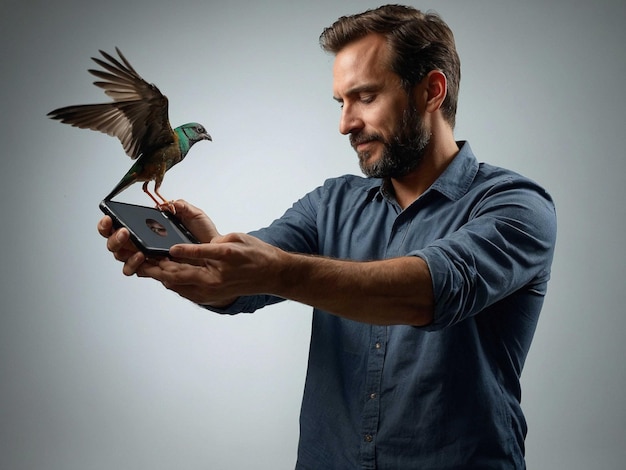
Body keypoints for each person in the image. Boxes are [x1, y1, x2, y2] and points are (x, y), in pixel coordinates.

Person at [98, 5, 557, 469]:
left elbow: (428, 292)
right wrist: (201, 257)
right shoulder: (330, 203)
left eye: (366, 97)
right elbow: (247, 282)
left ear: (431, 92)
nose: (346, 124)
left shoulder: (516, 206)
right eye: (341, 102)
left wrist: (276, 271)